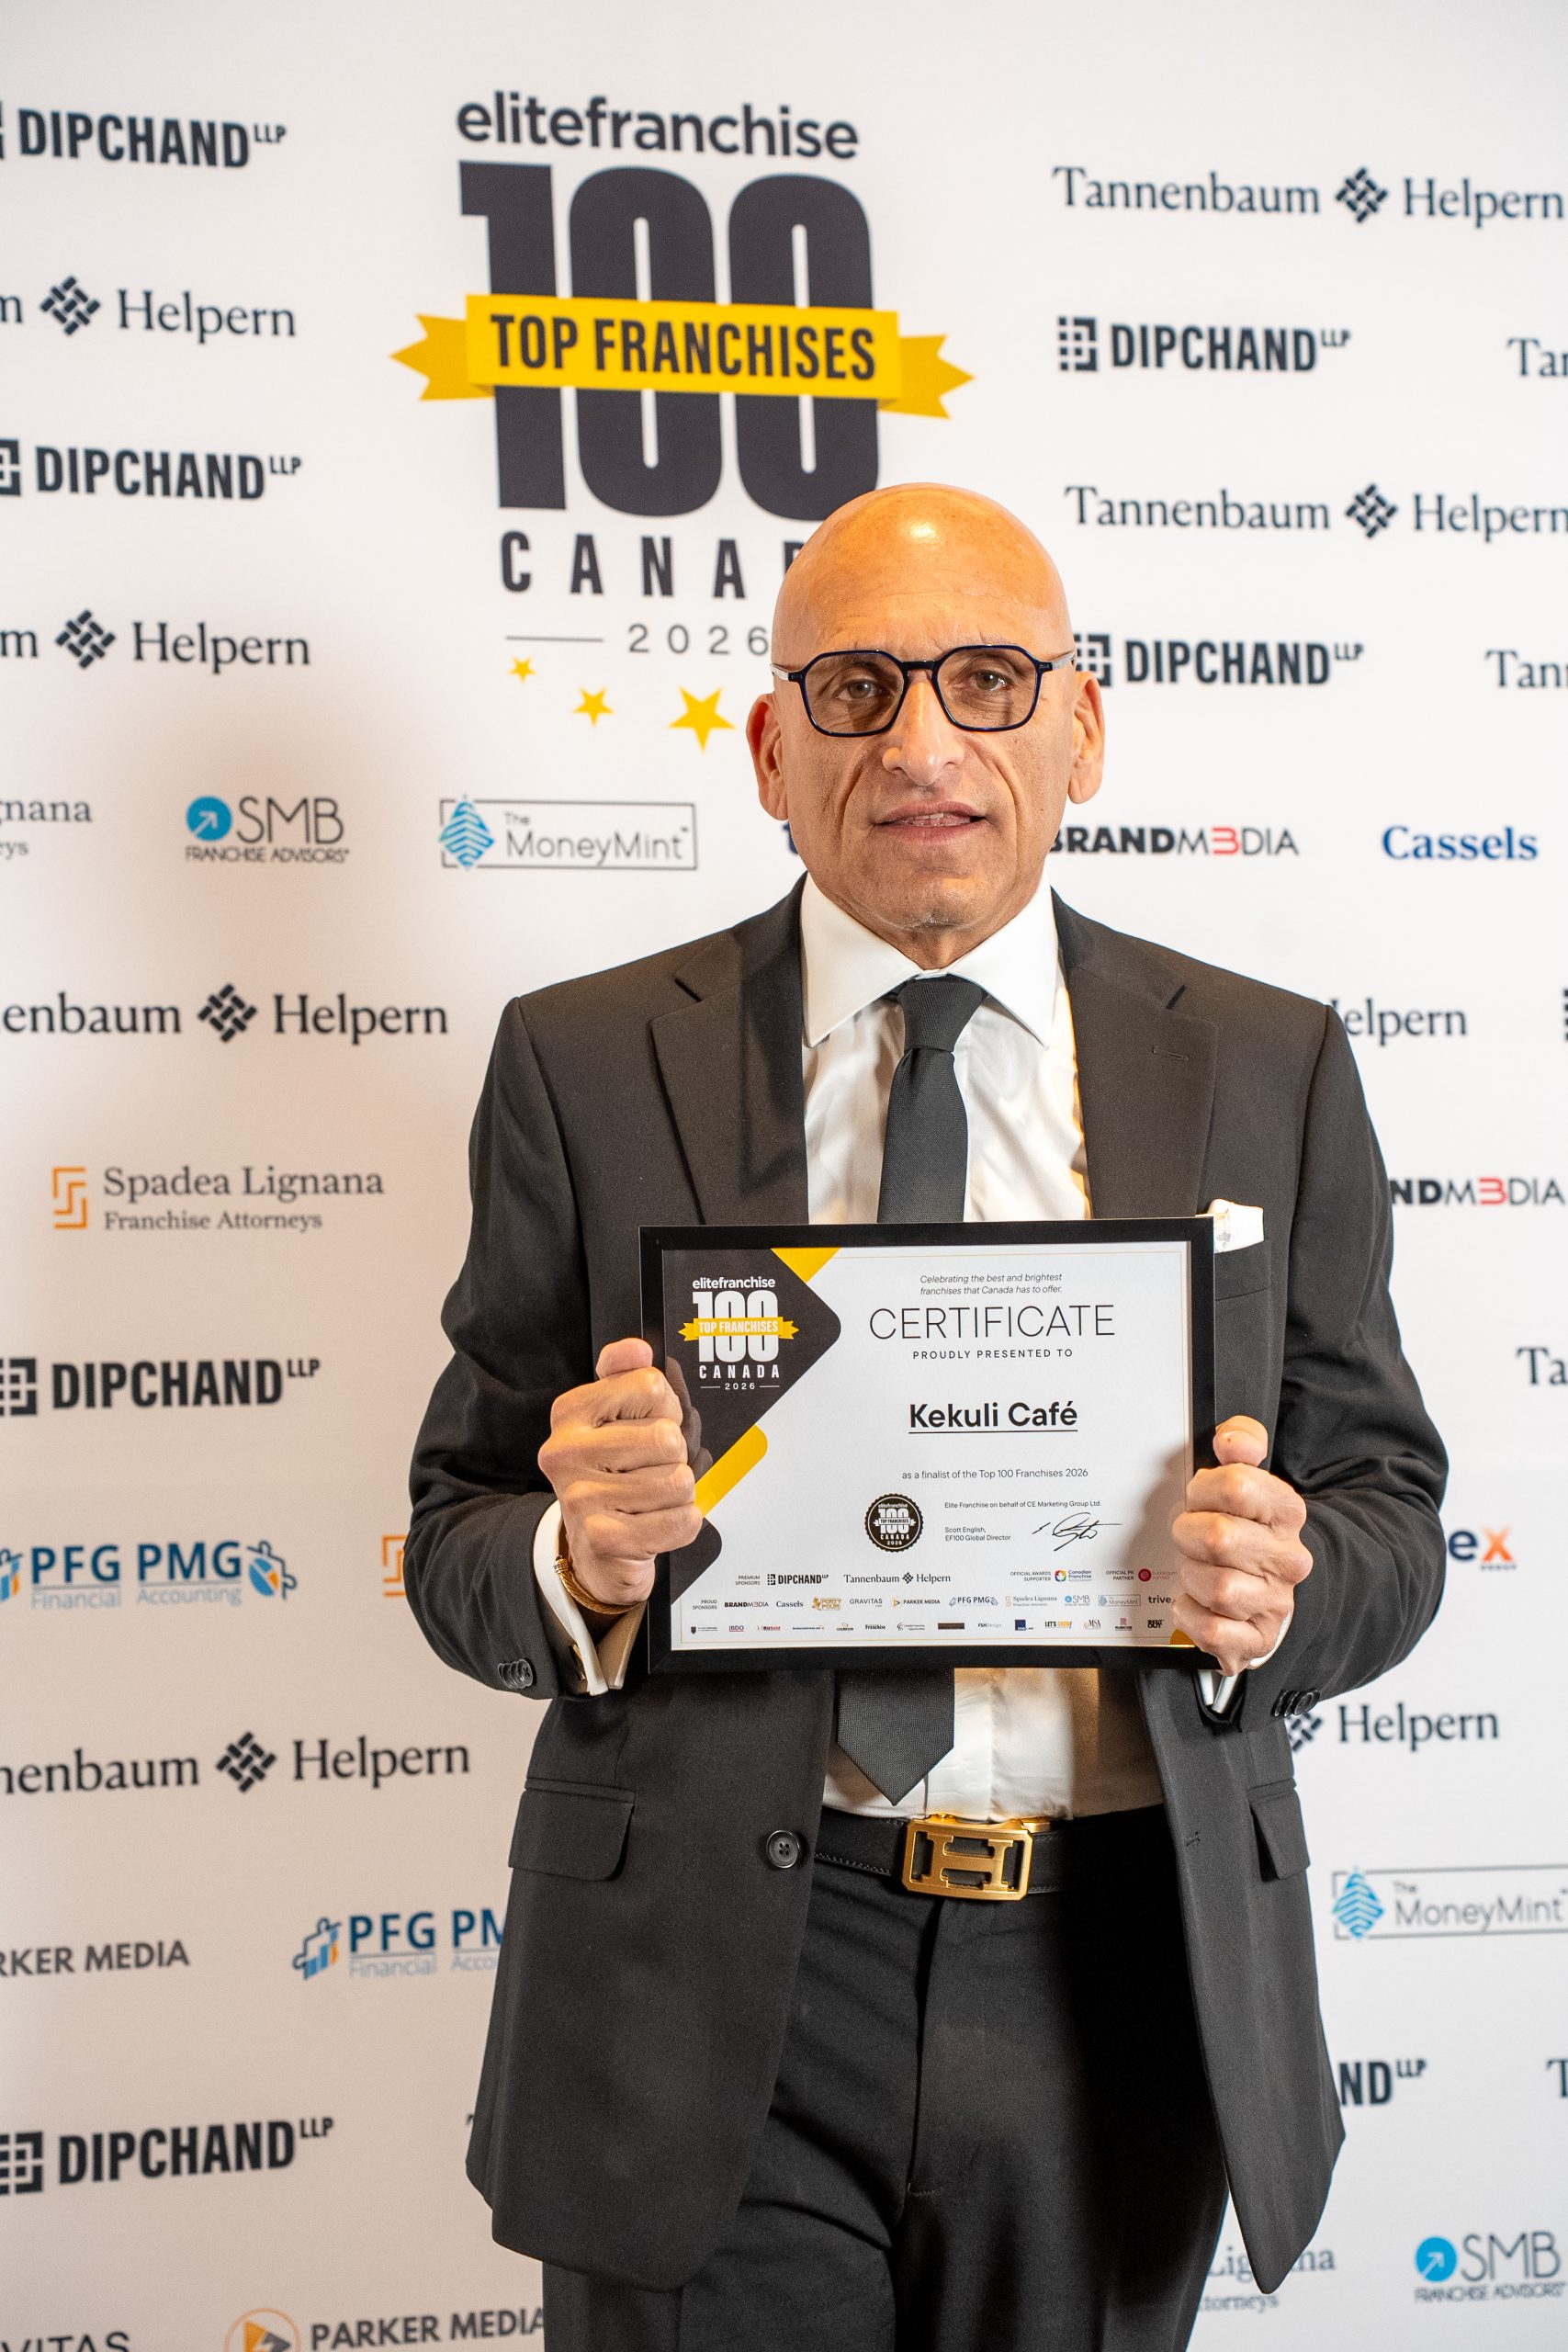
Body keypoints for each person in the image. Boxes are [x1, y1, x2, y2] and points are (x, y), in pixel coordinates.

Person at [405, 484, 1445, 2351]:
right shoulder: (582, 1059)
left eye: (985, 680)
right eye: (856, 687)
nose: (920, 742)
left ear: (1082, 729)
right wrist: (576, 1554)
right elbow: (457, 1531)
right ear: (769, 747)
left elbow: (1384, 1505)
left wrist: (1283, 1584)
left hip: (1114, 1979)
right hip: (701, 1987)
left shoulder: (1267, 1064)